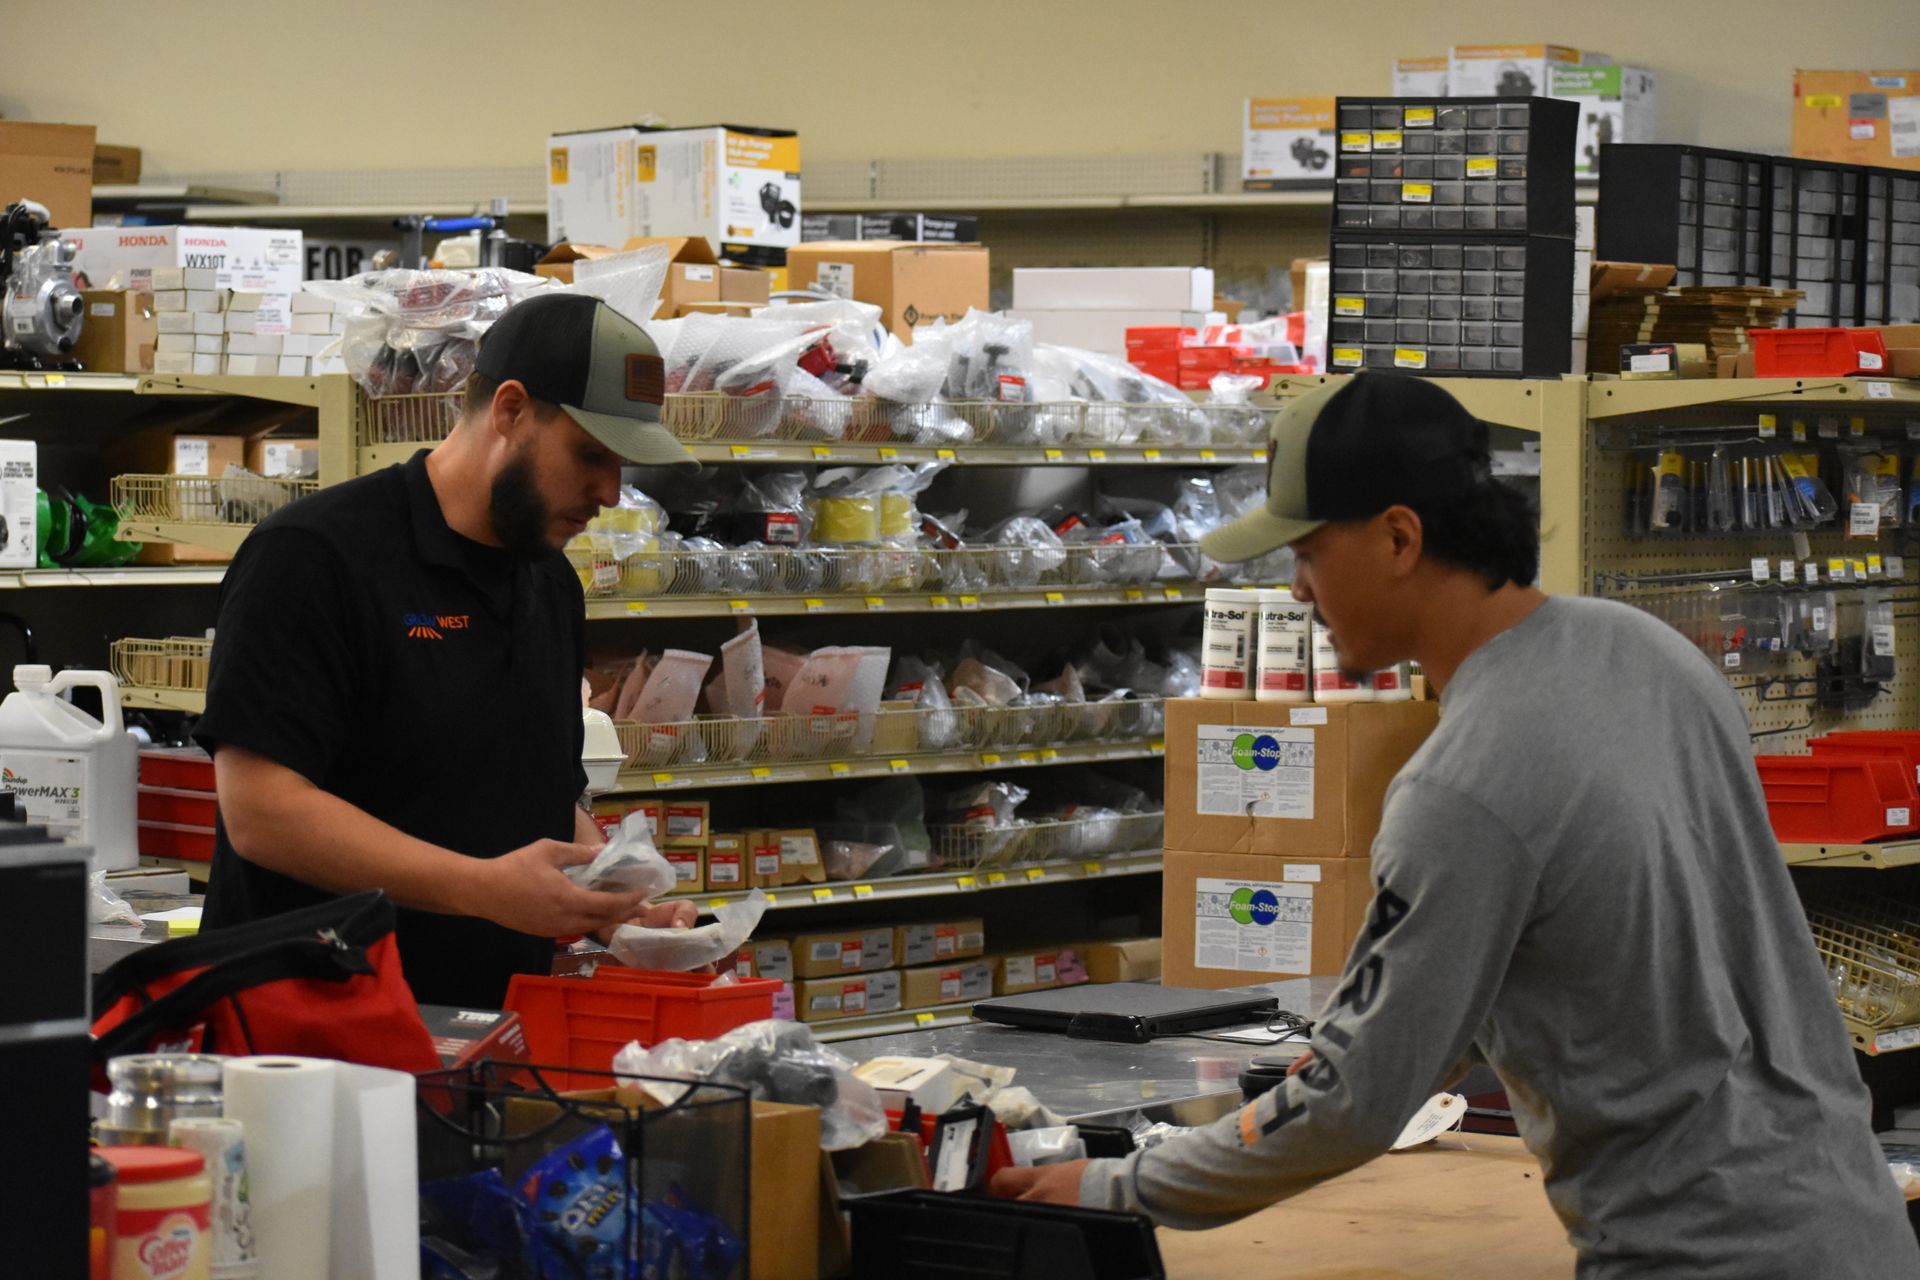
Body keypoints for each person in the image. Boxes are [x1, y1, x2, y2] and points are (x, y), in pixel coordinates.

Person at [992, 374, 1919, 1276]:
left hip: (1704, 1252)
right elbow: (1610, 939)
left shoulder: (1461, 787)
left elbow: (1350, 1102)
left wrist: (1117, 1185)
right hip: (1856, 1222)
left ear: (1399, 538)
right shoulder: (1649, 652)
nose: (1299, 592)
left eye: (1310, 554)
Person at [196, 292, 702, 1008]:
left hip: (482, 1034)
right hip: (308, 1035)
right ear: (511, 409)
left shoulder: (550, 584)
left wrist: (613, 902)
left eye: (624, 466)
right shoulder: (314, 558)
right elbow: (261, 812)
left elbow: (542, 796)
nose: (611, 493)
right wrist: (481, 890)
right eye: (591, 454)